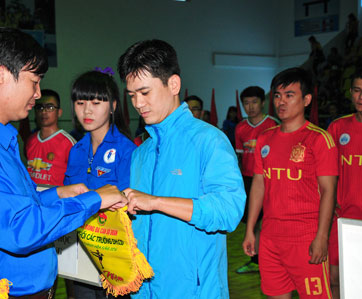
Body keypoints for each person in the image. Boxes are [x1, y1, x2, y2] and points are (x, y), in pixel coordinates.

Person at [0, 27, 127, 298]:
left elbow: (12, 204)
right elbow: (18, 228)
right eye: (34, 81)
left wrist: (58, 194)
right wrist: (92, 200)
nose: (37, 94)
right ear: (0, 74)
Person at [118, 39, 245, 298]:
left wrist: (157, 202)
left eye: (145, 92)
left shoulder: (209, 140)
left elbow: (229, 210)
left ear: (173, 84)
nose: (138, 104)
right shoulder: (141, 152)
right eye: (131, 95)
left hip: (194, 290)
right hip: (144, 289)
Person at [242, 67, 337, 298]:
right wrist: (251, 229)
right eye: (277, 95)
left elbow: (328, 192)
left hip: (306, 237)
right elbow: (259, 186)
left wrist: (322, 237)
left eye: (289, 95)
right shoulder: (265, 139)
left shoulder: (319, 139)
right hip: (271, 238)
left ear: (306, 100)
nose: (281, 102)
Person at [64, 69, 136, 299]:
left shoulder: (126, 150)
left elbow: (129, 205)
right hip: (80, 249)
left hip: (113, 251)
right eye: (80, 102)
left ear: (113, 105)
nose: (87, 110)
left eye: (96, 103)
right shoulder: (76, 150)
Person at [234, 86, 278, 274]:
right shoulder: (240, 128)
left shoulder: (273, 125)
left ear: (262, 103)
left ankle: (264, 260)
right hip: (247, 180)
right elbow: (239, 157)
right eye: (246, 103)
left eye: (254, 102)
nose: (250, 107)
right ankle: (256, 260)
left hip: (268, 181)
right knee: (252, 223)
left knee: (264, 222)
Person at [327, 70, 362, 299]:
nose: (361, 97)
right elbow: (324, 176)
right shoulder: (338, 128)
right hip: (342, 217)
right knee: (333, 277)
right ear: (350, 93)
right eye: (357, 90)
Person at [26, 89, 76, 186]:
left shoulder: (69, 143)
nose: (44, 111)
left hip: (56, 200)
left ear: (59, 112)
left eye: (50, 107)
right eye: (40, 107)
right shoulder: (30, 140)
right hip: (32, 197)